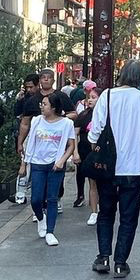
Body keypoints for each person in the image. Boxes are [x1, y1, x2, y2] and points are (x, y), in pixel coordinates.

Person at [89, 60, 140, 278]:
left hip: (108, 167)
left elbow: (95, 132)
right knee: (129, 216)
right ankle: (120, 262)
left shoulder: (107, 96)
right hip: (133, 167)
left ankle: (103, 257)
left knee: (106, 212)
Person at [22, 91, 76, 246]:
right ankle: (41, 218)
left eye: (45, 104)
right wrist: (25, 163)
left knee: (52, 198)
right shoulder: (37, 121)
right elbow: (31, 142)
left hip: (55, 165)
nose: (41, 107)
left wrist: (62, 160)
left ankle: (50, 231)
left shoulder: (66, 124)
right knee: (36, 199)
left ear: (53, 108)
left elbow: (71, 145)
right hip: (38, 163)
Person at [73, 83, 100, 220]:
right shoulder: (83, 115)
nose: (90, 100)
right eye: (89, 97)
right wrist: (75, 152)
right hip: (86, 151)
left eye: (94, 97)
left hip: (102, 153)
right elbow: (74, 135)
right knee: (92, 182)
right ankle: (94, 211)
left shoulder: (107, 116)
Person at [13, 73, 41, 204]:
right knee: (24, 162)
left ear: (37, 85)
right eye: (27, 87)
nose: (29, 90)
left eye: (31, 87)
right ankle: (20, 192)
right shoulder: (25, 99)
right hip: (27, 134)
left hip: (40, 135)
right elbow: (18, 115)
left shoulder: (41, 99)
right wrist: (20, 99)